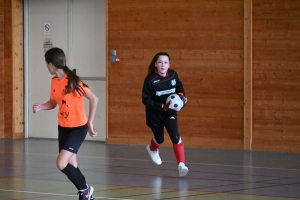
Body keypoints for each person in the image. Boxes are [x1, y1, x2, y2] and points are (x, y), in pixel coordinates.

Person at [33, 47, 98, 200]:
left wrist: (90, 122)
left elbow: (94, 99)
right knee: (72, 164)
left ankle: (85, 189)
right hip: (63, 127)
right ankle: (85, 192)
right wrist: (42, 106)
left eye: (46, 64)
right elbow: (53, 102)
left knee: (61, 163)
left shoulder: (74, 82)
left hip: (78, 128)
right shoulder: (54, 81)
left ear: (50, 64)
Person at [142, 52, 189, 176]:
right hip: (154, 115)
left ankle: (181, 165)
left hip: (170, 113)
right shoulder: (150, 80)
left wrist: (182, 97)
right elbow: (145, 100)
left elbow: (180, 88)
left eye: (166, 62)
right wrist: (161, 106)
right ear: (156, 64)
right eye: (160, 62)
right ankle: (152, 148)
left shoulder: (173, 75)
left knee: (175, 135)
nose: (163, 65)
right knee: (160, 138)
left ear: (169, 64)